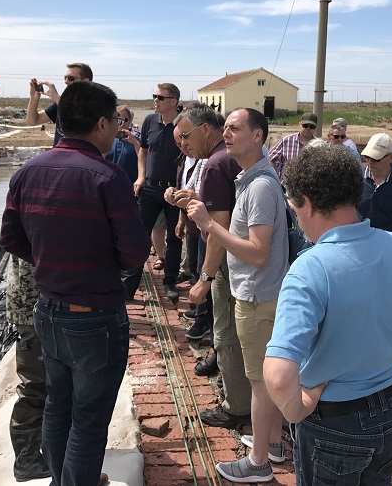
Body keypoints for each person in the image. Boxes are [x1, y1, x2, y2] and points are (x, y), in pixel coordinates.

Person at [262, 145, 392, 486]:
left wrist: (296, 409)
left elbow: (277, 375)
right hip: (391, 412)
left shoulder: (310, 268)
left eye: (294, 208)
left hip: (333, 422)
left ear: (308, 204)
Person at [0, 81, 151, 486]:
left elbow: (11, 239)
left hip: (48, 310)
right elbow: (135, 251)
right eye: (115, 120)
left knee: (58, 406)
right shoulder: (109, 177)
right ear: (101, 123)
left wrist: (52, 260)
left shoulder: (27, 172)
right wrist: (97, 265)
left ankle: (63, 480)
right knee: (88, 419)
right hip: (94, 317)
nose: (117, 128)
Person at [187, 107, 289, 483]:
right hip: (259, 295)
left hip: (257, 298)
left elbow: (258, 253)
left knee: (261, 383)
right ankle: (273, 444)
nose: (226, 134)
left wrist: (209, 225)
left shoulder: (259, 186)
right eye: (225, 127)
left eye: (234, 128)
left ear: (257, 136)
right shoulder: (252, 178)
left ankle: (258, 462)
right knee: (265, 379)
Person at [170, 103, 252, 428]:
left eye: (185, 137)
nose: (183, 145)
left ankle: (236, 407)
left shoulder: (216, 163)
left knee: (227, 334)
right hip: (240, 259)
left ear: (205, 129)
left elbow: (218, 228)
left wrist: (204, 276)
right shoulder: (224, 158)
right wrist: (194, 197)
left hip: (225, 263)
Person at [126, 83, 183, 303]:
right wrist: (141, 177)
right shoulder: (150, 121)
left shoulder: (184, 124)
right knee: (140, 236)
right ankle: (129, 285)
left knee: (175, 238)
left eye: (160, 97)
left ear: (173, 101)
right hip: (150, 187)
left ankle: (170, 281)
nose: (155, 100)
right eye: (154, 96)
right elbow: (143, 151)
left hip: (175, 190)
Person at [5, 256, 50, 481]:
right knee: (35, 386)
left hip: (36, 302)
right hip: (32, 305)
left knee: (43, 383)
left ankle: (45, 450)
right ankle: (27, 461)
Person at [27, 62, 93, 145]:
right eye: (65, 78)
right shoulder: (61, 103)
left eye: (71, 78)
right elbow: (32, 121)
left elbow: (78, 123)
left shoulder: (95, 104)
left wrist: (56, 97)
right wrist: (34, 98)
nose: (66, 81)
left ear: (85, 82)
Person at [268, 112, 317, 182]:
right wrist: (275, 178)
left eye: (312, 126)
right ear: (299, 125)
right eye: (305, 125)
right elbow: (270, 158)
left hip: (309, 186)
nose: (308, 128)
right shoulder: (286, 141)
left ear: (315, 128)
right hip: (286, 186)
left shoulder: (319, 145)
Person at [105, 104, 141, 183]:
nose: (122, 123)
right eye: (119, 120)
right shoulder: (106, 140)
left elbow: (144, 162)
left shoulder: (138, 142)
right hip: (109, 184)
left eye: (125, 120)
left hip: (130, 185)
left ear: (130, 120)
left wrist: (135, 143)